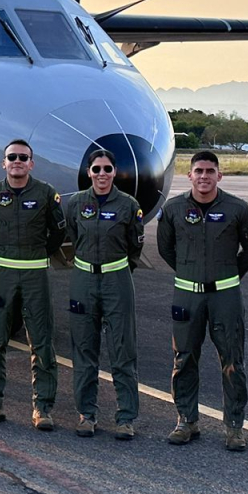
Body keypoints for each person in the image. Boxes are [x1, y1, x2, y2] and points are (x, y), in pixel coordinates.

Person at [156, 150, 248, 451]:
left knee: (232, 360)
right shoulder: (174, 208)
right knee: (185, 358)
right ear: (189, 175)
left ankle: (234, 427)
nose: (204, 176)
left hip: (225, 295)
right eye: (198, 171)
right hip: (186, 294)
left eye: (210, 171)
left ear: (219, 175)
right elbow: (166, 249)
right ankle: (186, 420)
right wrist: (191, 272)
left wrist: (228, 275)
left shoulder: (238, 208)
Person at [0, 139, 66, 431]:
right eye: (11, 157)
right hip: (1, 274)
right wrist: (7, 254)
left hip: (35, 274)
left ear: (31, 163)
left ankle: (42, 408)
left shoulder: (47, 194)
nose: (17, 161)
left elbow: (57, 233)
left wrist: (35, 255)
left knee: (41, 342)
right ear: (4, 163)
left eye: (23, 157)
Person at [62, 148, 144, 440]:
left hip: (117, 279)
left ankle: (125, 418)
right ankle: (86, 415)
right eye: (96, 169)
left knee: (123, 349)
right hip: (83, 279)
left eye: (107, 169)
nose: (101, 175)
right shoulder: (75, 204)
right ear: (88, 172)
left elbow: (135, 245)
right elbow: (73, 234)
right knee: (84, 349)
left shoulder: (128, 204)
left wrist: (117, 270)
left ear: (114, 172)